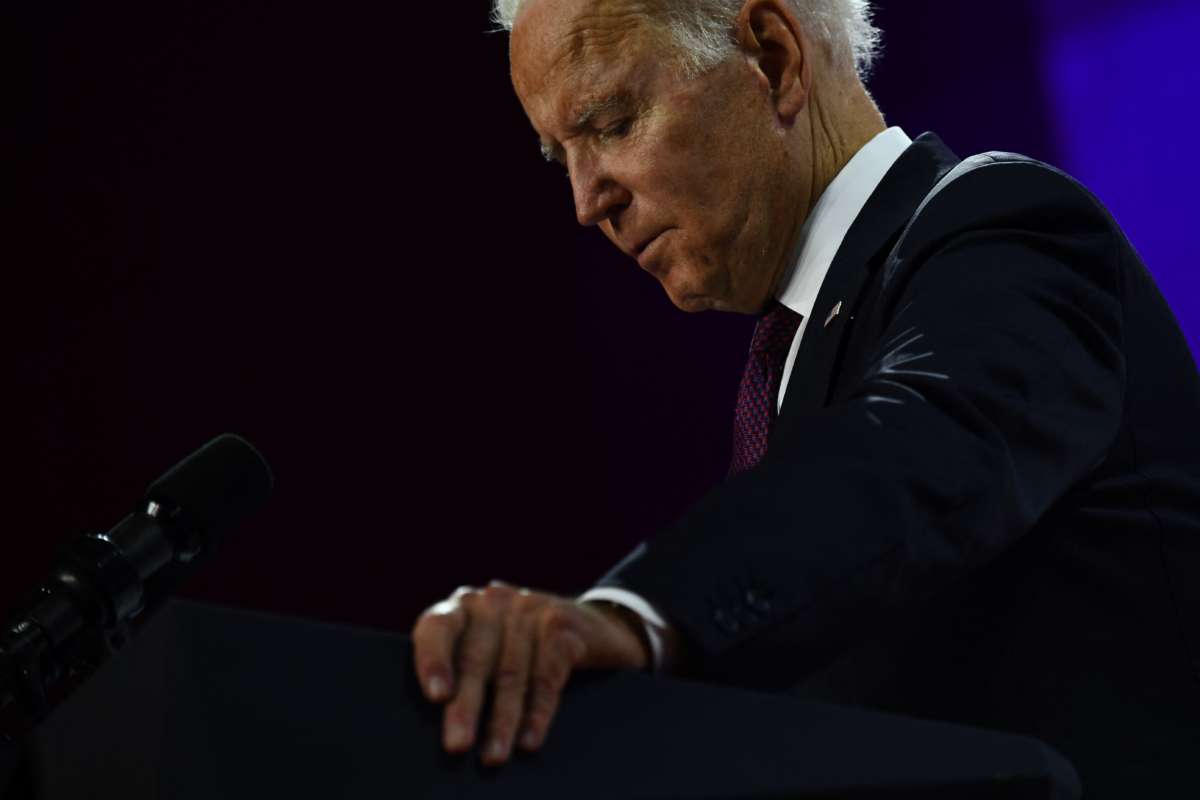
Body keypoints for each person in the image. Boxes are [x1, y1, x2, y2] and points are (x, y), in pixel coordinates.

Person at [410, 0, 1200, 792]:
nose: (587, 204)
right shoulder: (793, 368)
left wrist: (634, 616)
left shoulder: (1009, 225)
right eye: (562, 156)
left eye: (612, 124)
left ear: (773, 56)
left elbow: (915, 452)